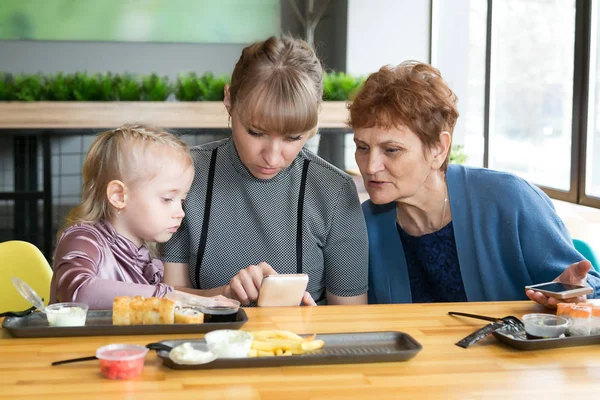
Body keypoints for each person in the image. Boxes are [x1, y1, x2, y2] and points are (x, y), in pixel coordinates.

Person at [348, 61, 600, 307]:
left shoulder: (508, 199)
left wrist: (574, 292)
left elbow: (589, 287)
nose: (370, 166)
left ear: (438, 149)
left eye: (391, 150)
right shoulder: (363, 224)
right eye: (362, 147)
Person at [161, 36, 369, 306]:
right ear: (229, 100)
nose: (272, 157)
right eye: (256, 132)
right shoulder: (187, 174)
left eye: (293, 138)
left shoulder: (335, 192)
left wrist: (309, 318)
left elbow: (349, 322)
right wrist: (222, 296)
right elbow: (167, 299)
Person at [50, 123, 195, 310]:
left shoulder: (145, 257)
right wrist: (163, 295)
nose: (180, 213)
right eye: (167, 199)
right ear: (119, 195)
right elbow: (78, 292)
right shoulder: (82, 239)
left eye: (181, 200)